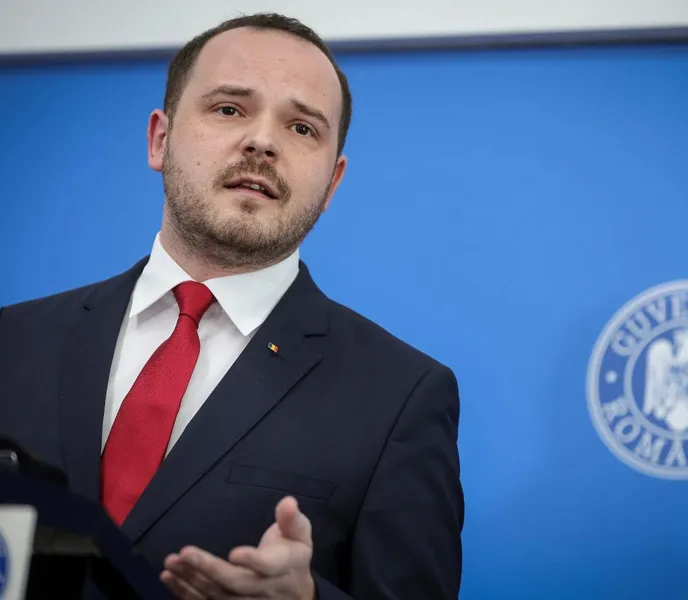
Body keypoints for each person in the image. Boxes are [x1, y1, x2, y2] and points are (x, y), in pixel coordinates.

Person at [0, 12, 464, 600]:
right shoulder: (13, 341)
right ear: (160, 139)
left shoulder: (401, 397)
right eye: (229, 109)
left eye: (302, 128)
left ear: (332, 184)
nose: (263, 141)